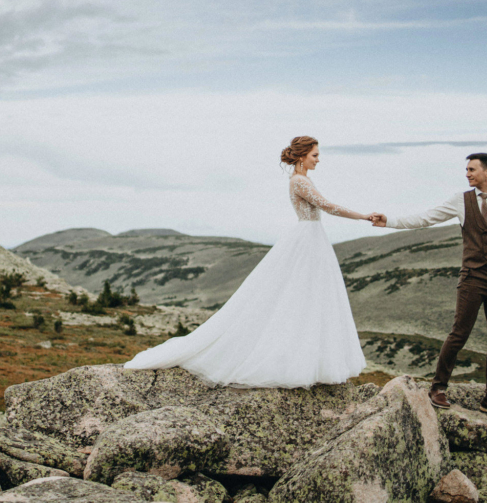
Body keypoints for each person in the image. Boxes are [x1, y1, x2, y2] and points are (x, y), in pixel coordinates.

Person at [124, 135, 375, 388]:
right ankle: (295, 362)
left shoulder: (303, 179)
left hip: (312, 238)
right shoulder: (300, 181)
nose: (319, 159)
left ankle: (308, 359)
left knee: (310, 297)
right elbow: (329, 207)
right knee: (299, 296)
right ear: (301, 156)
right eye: (315, 155)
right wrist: (364, 216)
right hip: (308, 239)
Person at [370, 152, 487, 421]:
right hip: (473, 277)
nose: (468, 174)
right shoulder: (461, 201)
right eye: (467, 170)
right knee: (459, 333)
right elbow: (426, 218)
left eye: (472, 170)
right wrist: (388, 220)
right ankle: (438, 388)